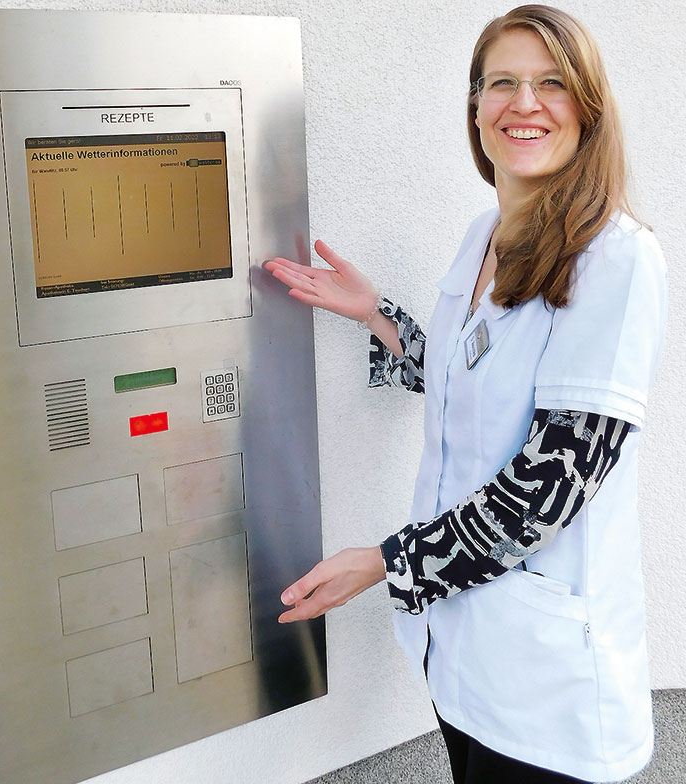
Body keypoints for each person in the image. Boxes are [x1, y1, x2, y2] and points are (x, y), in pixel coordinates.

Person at [265, 4, 667, 784]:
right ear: (475, 108)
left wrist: (382, 563)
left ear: (588, 106)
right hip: (459, 656)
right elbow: (462, 380)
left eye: (551, 83)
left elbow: (546, 491)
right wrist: (377, 315)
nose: (524, 103)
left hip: (550, 695)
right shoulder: (484, 234)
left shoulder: (617, 260)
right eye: (502, 83)